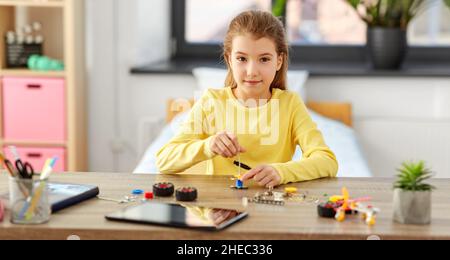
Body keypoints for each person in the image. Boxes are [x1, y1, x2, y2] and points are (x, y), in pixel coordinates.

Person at [157, 10, 337, 187]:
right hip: (221, 209)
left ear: (279, 61)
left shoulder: (290, 104)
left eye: (264, 59)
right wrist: (208, 146)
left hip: (271, 207)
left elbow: (327, 161)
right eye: (242, 58)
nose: (252, 71)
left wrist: (282, 172)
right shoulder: (211, 102)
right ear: (229, 60)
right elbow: (164, 161)